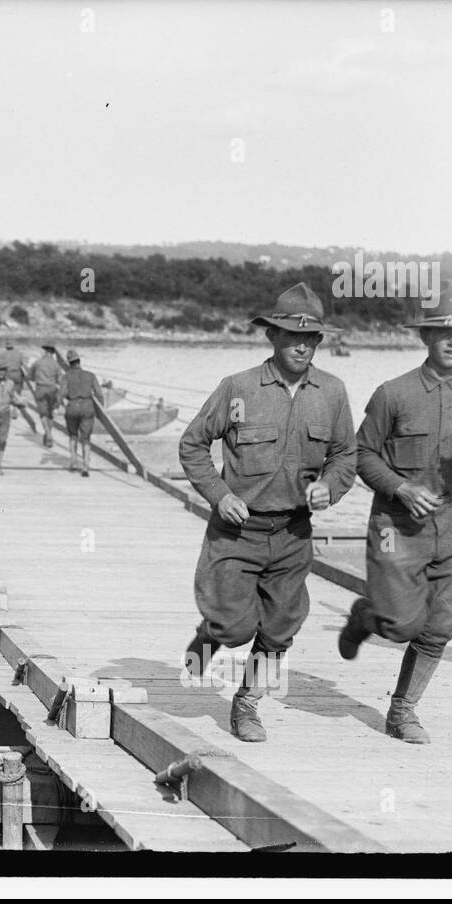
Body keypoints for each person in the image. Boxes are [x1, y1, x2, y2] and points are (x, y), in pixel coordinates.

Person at [179, 283, 356, 742]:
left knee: (281, 626)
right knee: (233, 626)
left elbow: (345, 456)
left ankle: (247, 704)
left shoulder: (332, 393)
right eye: (292, 336)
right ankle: (211, 635)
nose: (302, 345)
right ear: (272, 337)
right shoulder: (237, 388)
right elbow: (193, 444)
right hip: (237, 532)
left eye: (312, 338)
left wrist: (329, 488)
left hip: (294, 533)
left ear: (319, 341)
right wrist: (219, 495)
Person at [336, 285, 452, 743]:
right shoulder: (394, 394)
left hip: (450, 526)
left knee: (441, 626)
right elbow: (361, 454)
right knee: (401, 623)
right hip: (395, 525)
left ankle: (402, 711)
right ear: (425, 338)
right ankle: (369, 615)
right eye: (442, 332)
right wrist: (401, 487)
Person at [61, 349, 104, 477]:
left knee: (73, 435)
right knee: (86, 439)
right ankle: (85, 466)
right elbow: (99, 394)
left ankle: (73, 462)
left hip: (72, 407)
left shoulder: (66, 376)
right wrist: (100, 411)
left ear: (69, 363)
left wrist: (58, 405)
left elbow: (61, 393)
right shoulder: (90, 375)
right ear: (79, 361)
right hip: (87, 407)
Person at [29, 344, 65, 447]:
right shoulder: (56, 364)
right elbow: (60, 380)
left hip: (40, 389)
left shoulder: (38, 362)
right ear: (53, 353)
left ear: (44, 351)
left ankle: (48, 433)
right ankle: (49, 432)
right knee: (50, 415)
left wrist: (38, 378)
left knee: (43, 414)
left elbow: (30, 376)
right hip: (52, 390)